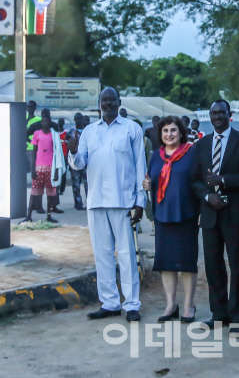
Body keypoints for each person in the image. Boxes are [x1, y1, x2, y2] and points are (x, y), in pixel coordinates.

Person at [69, 87, 147, 322]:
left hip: (123, 201)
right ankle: (110, 303)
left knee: (126, 255)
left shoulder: (131, 129)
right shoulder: (89, 132)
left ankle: (132, 305)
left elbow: (139, 166)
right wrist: (73, 152)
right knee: (102, 255)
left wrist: (140, 201)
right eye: (105, 100)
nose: (109, 104)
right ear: (99, 103)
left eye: (112, 100)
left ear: (119, 102)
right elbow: (80, 164)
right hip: (96, 202)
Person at [190, 99, 239, 335]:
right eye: (213, 113)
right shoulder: (202, 144)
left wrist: (224, 181)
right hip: (209, 215)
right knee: (213, 266)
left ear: (230, 115)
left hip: (234, 214)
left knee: (237, 266)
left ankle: (238, 317)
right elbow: (195, 180)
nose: (217, 117)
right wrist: (209, 197)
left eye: (221, 113)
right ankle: (219, 315)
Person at [142, 116, 199, 323]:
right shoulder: (156, 157)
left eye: (173, 130)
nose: (169, 134)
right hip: (163, 215)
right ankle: (170, 304)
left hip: (187, 214)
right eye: (165, 131)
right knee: (165, 263)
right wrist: (147, 185)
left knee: (186, 262)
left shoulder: (191, 153)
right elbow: (151, 179)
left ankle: (188, 306)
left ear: (181, 132)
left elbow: (199, 182)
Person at [21, 109, 65, 224]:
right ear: (41, 121)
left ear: (49, 121)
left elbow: (57, 152)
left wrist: (56, 170)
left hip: (50, 167)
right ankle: (29, 215)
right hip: (39, 167)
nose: (45, 123)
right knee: (34, 192)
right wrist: (33, 169)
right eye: (43, 121)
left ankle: (49, 216)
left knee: (51, 193)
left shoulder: (54, 135)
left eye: (47, 121)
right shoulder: (37, 134)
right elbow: (34, 152)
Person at [69, 113, 88, 210]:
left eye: (80, 118)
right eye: (77, 118)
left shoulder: (87, 132)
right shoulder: (71, 132)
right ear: (74, 119)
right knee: (76, 184)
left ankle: (89, 203)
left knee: (87, 184)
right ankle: (78, 203)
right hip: (75, 161)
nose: (78, 120)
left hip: (86, 162)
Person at [57, 118, 69, 198]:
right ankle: (56, 188)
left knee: (63, 174)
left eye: (62, 122)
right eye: (59, 122)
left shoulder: (66, 133)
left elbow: (68, 146)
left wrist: (67, 156)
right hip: (57, 156)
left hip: (64, 155)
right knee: (57, 173)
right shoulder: (55, 133)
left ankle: (62, 189)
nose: (60, 123)